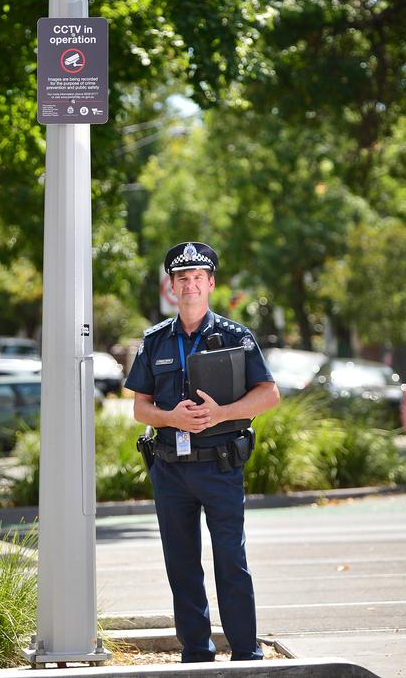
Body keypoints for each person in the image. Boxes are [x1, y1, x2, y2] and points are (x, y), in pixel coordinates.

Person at [126, 241, 279, 662]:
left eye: (197, 278)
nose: (190, 285)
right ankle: (196, 653)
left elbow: (268, 394)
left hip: (220, 466)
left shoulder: (236, 336)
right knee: (182, 566)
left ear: (210, 283)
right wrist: (172, 418)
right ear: (171, 288)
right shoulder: (156, 341)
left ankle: (246, 653)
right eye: (182, 279)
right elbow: (140, 407)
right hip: (171, 471)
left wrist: (222, 413)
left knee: (231, 561)